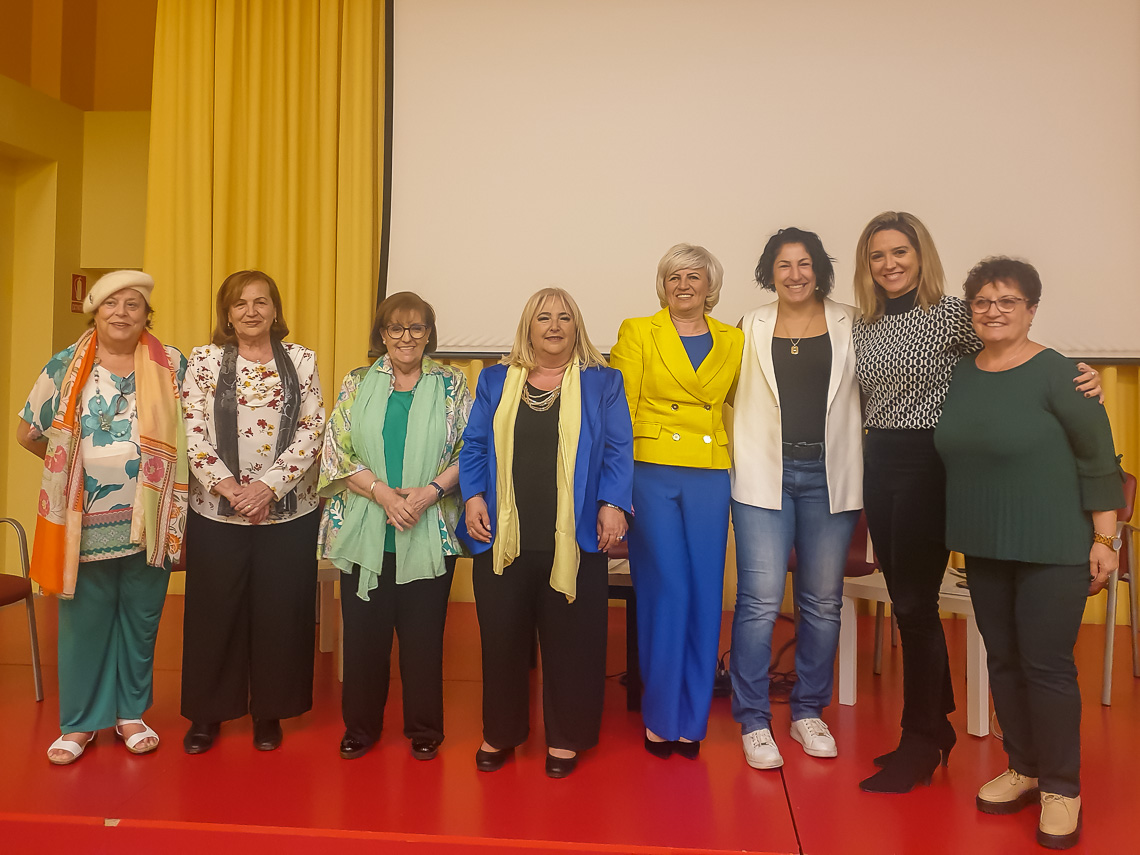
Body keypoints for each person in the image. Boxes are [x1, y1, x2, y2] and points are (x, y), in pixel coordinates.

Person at [851, 212, 1102, 793]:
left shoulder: (948, 315)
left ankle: (923, 738)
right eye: (877, 255)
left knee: (916, 604)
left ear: (921, 255)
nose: (889, 264)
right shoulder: (863, 323)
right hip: (879, 462)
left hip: (931, 465)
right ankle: (931, 727)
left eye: (899, 251)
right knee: (906, 604)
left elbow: (1010, 354)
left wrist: (1078, 375)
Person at [934, 257, 1122, 850]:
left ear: (1031, 309)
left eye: (1008, 301)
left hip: (1054, 544)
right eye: (982, 302)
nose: (994, 311)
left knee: (1046, 666)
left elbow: (1098, 458)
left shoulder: (1063, 374)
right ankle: (1025, 767)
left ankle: (1062, 788)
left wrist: (1105, 539)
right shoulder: (961, 373)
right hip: (986, 544)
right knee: (1005, 661)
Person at [458, 287, 632, 778]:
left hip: (575, 538)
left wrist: (613, 504)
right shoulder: (495, 380)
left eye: (564, 317)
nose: (554, 326)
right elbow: (475, 446)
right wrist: (472, 496)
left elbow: (619, 449)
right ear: (528, 327)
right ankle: (501, 732)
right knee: (502, 641)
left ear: (577, 327)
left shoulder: (603, 382)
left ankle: (566, 738)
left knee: (572, 644)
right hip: (502, 538)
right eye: (543, 318)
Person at [16, 270, 187, 765]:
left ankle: (130, 714)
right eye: (112, 303)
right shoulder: (64, 364)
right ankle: (80, 723)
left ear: (147, 314)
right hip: (84, 518)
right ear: (95, 311)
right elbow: (28, 433)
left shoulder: (172, 363)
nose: (122, 313)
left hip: (151, 516)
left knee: (141, 617)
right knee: (84, 622)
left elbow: (194, 434)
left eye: (133, 304)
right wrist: (69, 470)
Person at [729, 228, 862, 770]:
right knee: (759, 601)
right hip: (765, 475)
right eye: (783, 265)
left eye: (804, 263)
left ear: (819, 269)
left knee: (822, 602)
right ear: (770, 272)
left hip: (830, 476)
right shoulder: (749, 325)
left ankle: (808, 711)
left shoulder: (853, 321)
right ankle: (753, 719)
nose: (795, 274)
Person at [318, 291, 470, 762]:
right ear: (382, 334)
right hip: (367, 527)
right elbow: (338, 452)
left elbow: (471, 450)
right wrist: (384, 494)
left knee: (423, 639)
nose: (406, 337)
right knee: (364, 639)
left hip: (430, 524)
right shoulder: (357, 382)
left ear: (429, 334)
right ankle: (360, 728)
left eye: (417, 327)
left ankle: (424, 728)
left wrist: (429, 492)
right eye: (396, 328)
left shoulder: (452, 384)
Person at [180, 270, 325, 754]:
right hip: (216, 512)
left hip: (287, 514)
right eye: (240, 303)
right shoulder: (203, 361)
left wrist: (267, 488)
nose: (251, 311)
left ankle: (270, 712)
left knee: (281, 613)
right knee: (213, 614)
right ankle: (207, 714)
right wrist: (232, 490)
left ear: (275, 309)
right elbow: (192, 432)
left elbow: (312, 430)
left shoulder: (302, 360)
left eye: (261, 302)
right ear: (227, 314)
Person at [609, 244, 744, 758]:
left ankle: (692, 720)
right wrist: (614, 490)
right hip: (651, 471)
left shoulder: (735, 339)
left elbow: (750, 405)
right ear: (663, 286)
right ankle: (661, 716)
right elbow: (620, 412)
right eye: (674, 277)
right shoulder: (638, 331)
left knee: (707, 592)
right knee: (668, 588)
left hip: (710, 473)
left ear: (711, 286)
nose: (684, 285)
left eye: (694, 276)